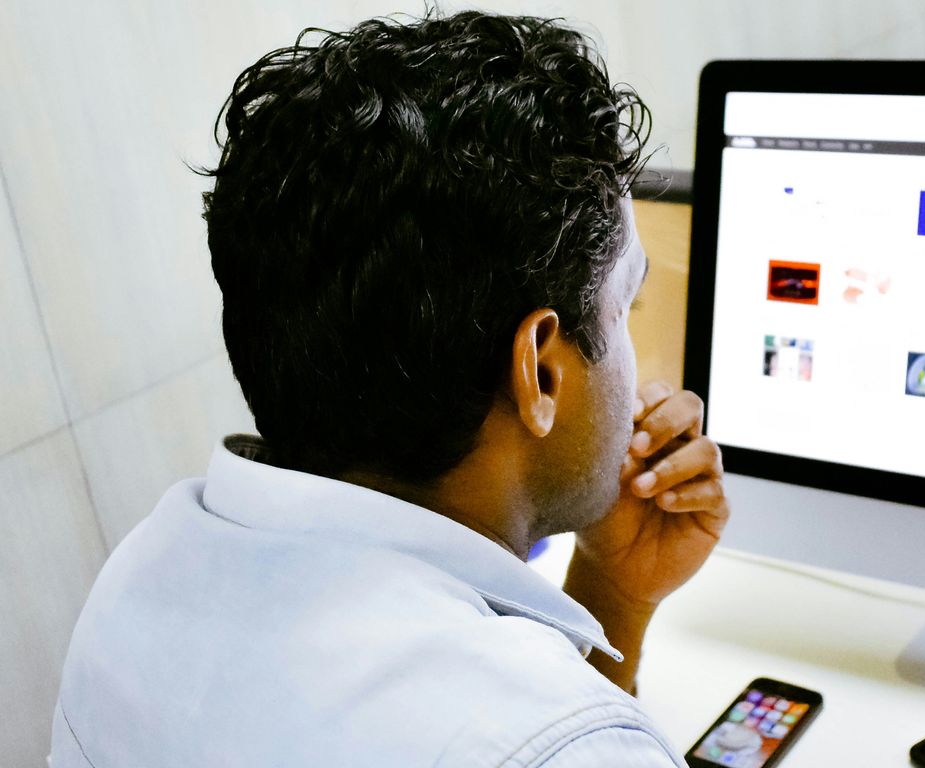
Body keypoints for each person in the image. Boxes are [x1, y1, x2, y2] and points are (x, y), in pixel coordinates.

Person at [50, 12, 727, 767]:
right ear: (538, 369)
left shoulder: (137, 583)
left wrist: (613, 591)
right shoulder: (563, 748)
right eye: (625, 305)